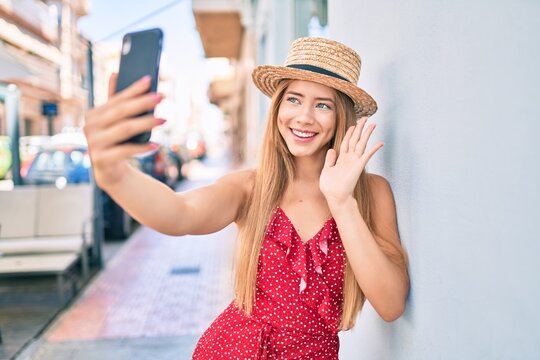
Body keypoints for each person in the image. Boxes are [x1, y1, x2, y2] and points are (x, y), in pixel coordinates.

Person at [84, 36, 409, 359]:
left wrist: (342, 202)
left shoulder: (371, 193)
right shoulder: (251, 188)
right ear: (278, 107)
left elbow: (391, 305)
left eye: (323, 105)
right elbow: (179, 213)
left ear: (342, 116)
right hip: (234, 350)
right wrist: (115, 174)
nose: (305, 116)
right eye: (294, 99)